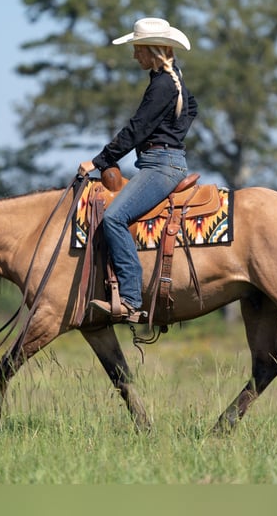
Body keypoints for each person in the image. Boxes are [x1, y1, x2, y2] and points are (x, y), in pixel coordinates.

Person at [78, 17, 198, 323]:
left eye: (137, 50)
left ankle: (130, 298)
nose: (135, 56)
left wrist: (100, 160)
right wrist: (173, 135)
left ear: (151, 50)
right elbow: (192, 108)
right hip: (167, 161)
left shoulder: (161, 86)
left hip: (161, 167)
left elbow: (137, 129)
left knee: (114, 218)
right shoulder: (173, 81)